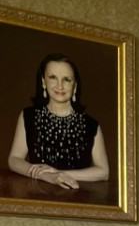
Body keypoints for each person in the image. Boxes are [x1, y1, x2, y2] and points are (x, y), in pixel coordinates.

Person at [7, 53, 110, 189]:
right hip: (36, 196)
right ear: (43, 82)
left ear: (75, 86)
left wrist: (59, 174)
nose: (60, 85)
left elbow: (103, 172)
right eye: (53, 77)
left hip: (79, 196)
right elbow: (14, 159)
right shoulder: (28, 116)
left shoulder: (91, 125)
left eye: (66, 79)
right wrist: (44, 175)